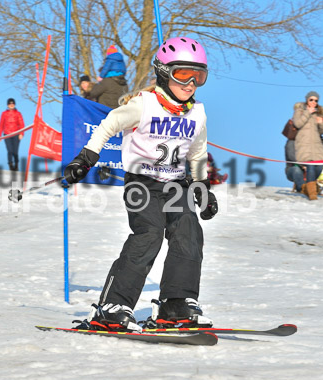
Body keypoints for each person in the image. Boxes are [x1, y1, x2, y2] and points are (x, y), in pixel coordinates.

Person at [63, 37, 218, 331]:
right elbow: (109, 124)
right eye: (183, 74)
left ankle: (176, 304)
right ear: (163, 71)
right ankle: (112, 307)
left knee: (188, 232)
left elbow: (198, 152)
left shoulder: (197, 113)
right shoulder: (143, 104)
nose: (191, 84)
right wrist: (86, 157)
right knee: (149, 234)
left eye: (199, 76)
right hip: (142, 183)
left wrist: (203, 188)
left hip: (176, 184)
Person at [292, 91, 323, 200]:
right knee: (310, 165)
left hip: (316, 145)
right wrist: (307, 112)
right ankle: (312, 194)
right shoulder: (300, 111)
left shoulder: (319, 113)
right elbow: (297, 123)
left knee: (320, 166)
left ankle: (308, 187)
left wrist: (321, 122)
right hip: (304, 144)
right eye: (311, 99)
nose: (313, 102)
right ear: (307, 100)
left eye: (316, 100)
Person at [0, 98, 25, 171]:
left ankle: (16, 165)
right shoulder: (4, 113)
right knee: (10, 150)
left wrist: (21, 133)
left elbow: (21, 124)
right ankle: (10, 165)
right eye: (10, 104)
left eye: (12, 103)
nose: (11, 105)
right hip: (7, 134)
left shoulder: (18, 113)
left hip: (16, 134)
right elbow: (1, 124)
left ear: (14, 104)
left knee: (15, 151)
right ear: (7, 105)